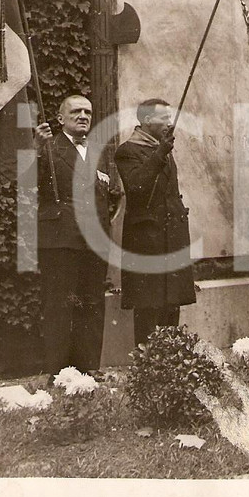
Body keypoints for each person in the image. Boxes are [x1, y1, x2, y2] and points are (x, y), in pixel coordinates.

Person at [32, 94, 119, 374]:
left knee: (92, 302)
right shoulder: (48, 148)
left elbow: (107, 194)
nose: (83, 116)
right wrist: (36, 149)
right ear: (60, 119)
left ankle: (89, 367)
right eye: (76, 112)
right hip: (61, 239)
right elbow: (26, 182)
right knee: (59, 305)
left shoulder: (97, 151)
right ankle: (58, 372)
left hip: (94, 240)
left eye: (88, 112)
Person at [115, 98, 196, 345]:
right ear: (148, 120)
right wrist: (160, 153)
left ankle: (169, 358)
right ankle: (148, 360)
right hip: (147, 241)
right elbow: (137, 186)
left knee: (171, 302)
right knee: (148, 305)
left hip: (171, 239)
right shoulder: (128, 151)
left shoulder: (161, 149)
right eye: (164, 118)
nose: (169, 123)